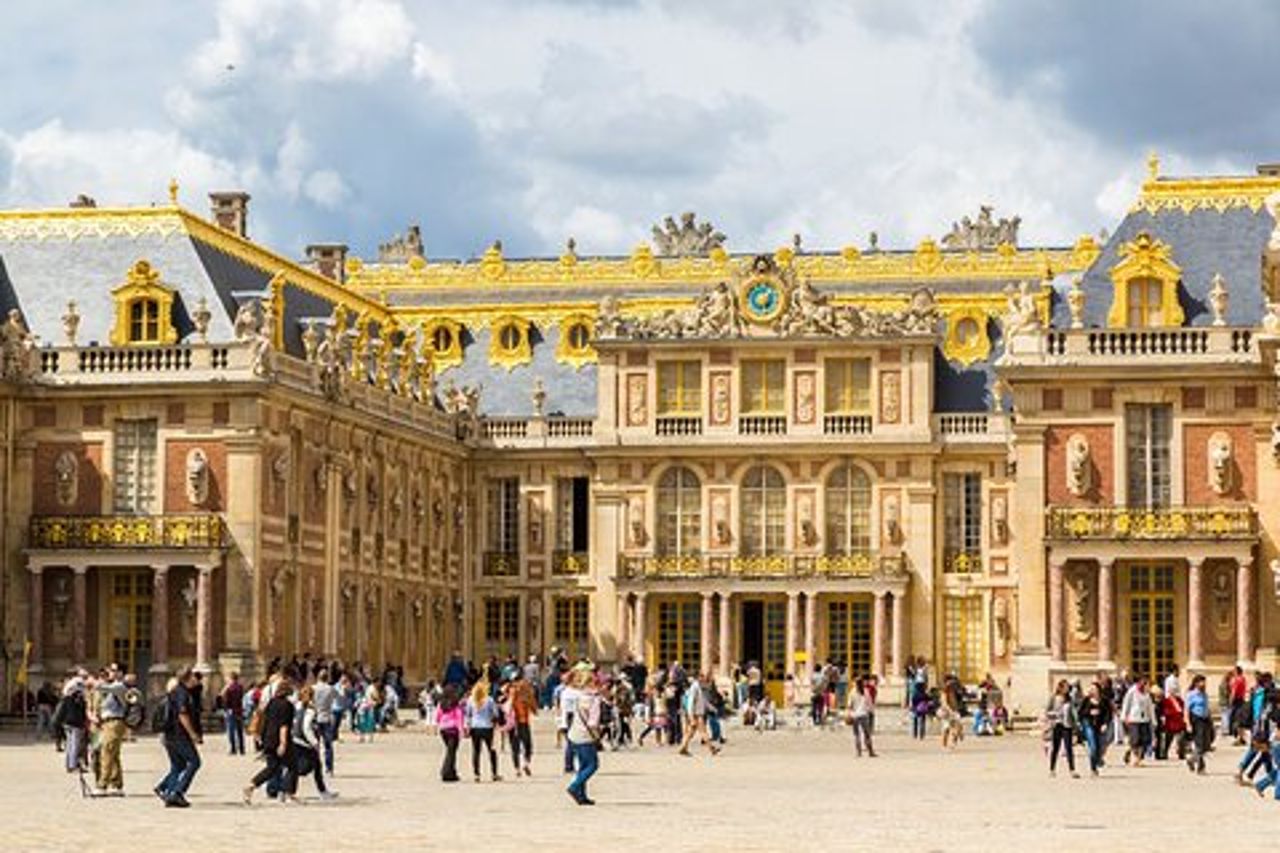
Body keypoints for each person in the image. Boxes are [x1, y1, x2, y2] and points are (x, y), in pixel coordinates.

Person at [243, 679, 298, 805]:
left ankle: (251, 786)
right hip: (280, 739)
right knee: (292, 766)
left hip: (268, 738)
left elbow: (265, 720)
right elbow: (284, 726)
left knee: (272, 768)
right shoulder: (287, 705)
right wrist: (283, 743)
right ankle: (288, 793)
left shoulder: (271, 703)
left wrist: (260, 738)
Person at [155, 667, 203, 808]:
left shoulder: (175, 692)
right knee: (195, 762)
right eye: (194, 676)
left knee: (178, 765)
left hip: (170, 734)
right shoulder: (182, 693)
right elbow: (183, 715)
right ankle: (177, 792)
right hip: (179, 734)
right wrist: (193, 734)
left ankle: (164, 788)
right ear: (189, 678)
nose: (196, 679)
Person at [292, 685, 338, 800]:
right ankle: (287, 788)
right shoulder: (310, 710)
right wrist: (314, 742)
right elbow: (306, 727)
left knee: (316, 766)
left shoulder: (297, 707)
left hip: (296, 739)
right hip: (305, 742)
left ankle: (322, 791)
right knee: (304, 768)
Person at [565, 667, 602, 805]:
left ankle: (582, 796)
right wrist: (600, 728)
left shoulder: (579, 697)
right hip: (586, 736)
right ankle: (574, 786)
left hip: (574, 734)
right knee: (593, 765)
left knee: (582, 765)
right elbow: (593, 722)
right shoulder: (594, 699)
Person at [93, 665, 129, 795]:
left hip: (114, 722)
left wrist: (89, 679)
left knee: (106, 752)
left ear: (120, 673)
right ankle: (116, 784)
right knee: (113, 754)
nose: (109, 672)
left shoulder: (120, 686)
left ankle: (102, 785)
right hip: (108, 723)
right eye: (109, 670)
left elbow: (99, 687)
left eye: (113, 671)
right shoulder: (113, 687)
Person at [464, 679, 502, 782]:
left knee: (476, 752)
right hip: (487, 727)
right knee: (492, 751)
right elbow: (495, 714)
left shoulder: (471, 700)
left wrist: (467, 726)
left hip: (475, 727)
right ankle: (494, 774)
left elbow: (467, 714)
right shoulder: (489, 699)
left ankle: (477, 774)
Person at [678, 672, 720, 757]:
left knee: (690, 732)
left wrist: (712, 708)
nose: (704, 679)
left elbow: (703, 701)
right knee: (703, 731)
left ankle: (683, 748)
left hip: (697, 713)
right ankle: (712, 748)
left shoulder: (699, 687)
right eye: (702, 677)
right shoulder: (694, 687)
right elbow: (690, 703)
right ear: (698, 678)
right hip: (696, 714)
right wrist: (691, 717)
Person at [505, 671, 536, 776]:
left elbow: (502, 705)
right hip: (523, 722)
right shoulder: (526, 692)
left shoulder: (508, 691)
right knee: (527, 745)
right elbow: (534, 709)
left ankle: (517, 769)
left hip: (512, 723)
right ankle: (525, 763)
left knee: (515, 747)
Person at [1046, 679, 1078, 778]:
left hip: (1067, 725)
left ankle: (1072, 770)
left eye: (1068, 687)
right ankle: (1052, 769)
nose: (1067, 689)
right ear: (1060, 687)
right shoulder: (1054, 698)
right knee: (1056, 748)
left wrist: (1076, 725)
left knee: (1069, 748)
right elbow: (1047, 711)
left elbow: (1073, 712)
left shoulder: (1070, 699)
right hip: (1057, 724)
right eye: (1065, 687)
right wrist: (1055, 714)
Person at [1121, 677, 1154, 766]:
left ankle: (1137, 759)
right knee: (1135, 739)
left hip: (1144, 719)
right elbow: (1126, 703)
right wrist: (1124, 716)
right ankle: (1134, 759)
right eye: (1148, 686)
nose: (1149, 688)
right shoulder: (1132, 691)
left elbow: (1150, 708)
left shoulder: (1147, 694)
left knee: (1144, 740)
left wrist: (1153, 720)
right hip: (1134, 719)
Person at [1184, 674, 1212, 775]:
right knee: (1199, 743)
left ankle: (1191, 759)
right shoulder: (1191, 695)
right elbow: (1186, 710)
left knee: (1206, 745)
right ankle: (1201, 767)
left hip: (1205, 720)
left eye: (1204, 682)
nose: (1204, 684)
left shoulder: (1204, 694)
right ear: (1196, 683)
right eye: (1202, 682)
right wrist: (1188, 724)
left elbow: (1207, 708)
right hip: (1196, 719)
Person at [436, 685, 464, 782]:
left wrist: (439, 725)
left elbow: (438, 717)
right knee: (451, 752)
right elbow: (459, 718)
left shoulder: (441, 704)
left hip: (443, 730)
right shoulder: (455, 704)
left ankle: (452, 772)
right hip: (453, 730)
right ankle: (446, 772)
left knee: (450, 752)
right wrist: (461, 731)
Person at [1078, 682, 1107, 776]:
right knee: (1093, 747)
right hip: (1088, 725)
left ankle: (1098, 759)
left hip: (1099, 726)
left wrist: (1105, 723)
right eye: (1092, 689)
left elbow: (1108, 713)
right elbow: (1080, 713)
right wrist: (1090, 712)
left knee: (1100, 746)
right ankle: (1093, 769)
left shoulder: (1103, 700)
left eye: (1095, 688)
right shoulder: (1086, 700)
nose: (1093, 690)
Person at [312, 669, 336, 774]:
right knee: (328, 745)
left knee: (314, 743)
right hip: (327, 717)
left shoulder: (313, 688)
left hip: (315, 717)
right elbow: (336, 698)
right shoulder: (331, 689)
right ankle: (329, 767)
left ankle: (315, 765)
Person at [847, 676, 876, 757]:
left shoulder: (852, 692)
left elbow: (849, 705)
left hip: (855, 715)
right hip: (864, 715)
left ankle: (858, 752)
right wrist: (871, 711)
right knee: (867, 734)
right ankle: (870, 752)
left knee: (856, 734)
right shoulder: (866, 691)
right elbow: (869, 703)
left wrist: (849, 713)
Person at [221, 672, 246, 756]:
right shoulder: (240, 687)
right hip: (239, 710)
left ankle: (233, 749)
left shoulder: (229, 688)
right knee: (239, 730)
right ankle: (242, 748)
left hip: (230, 710)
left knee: (231, 731)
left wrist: (225, 689)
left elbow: (223, 698)